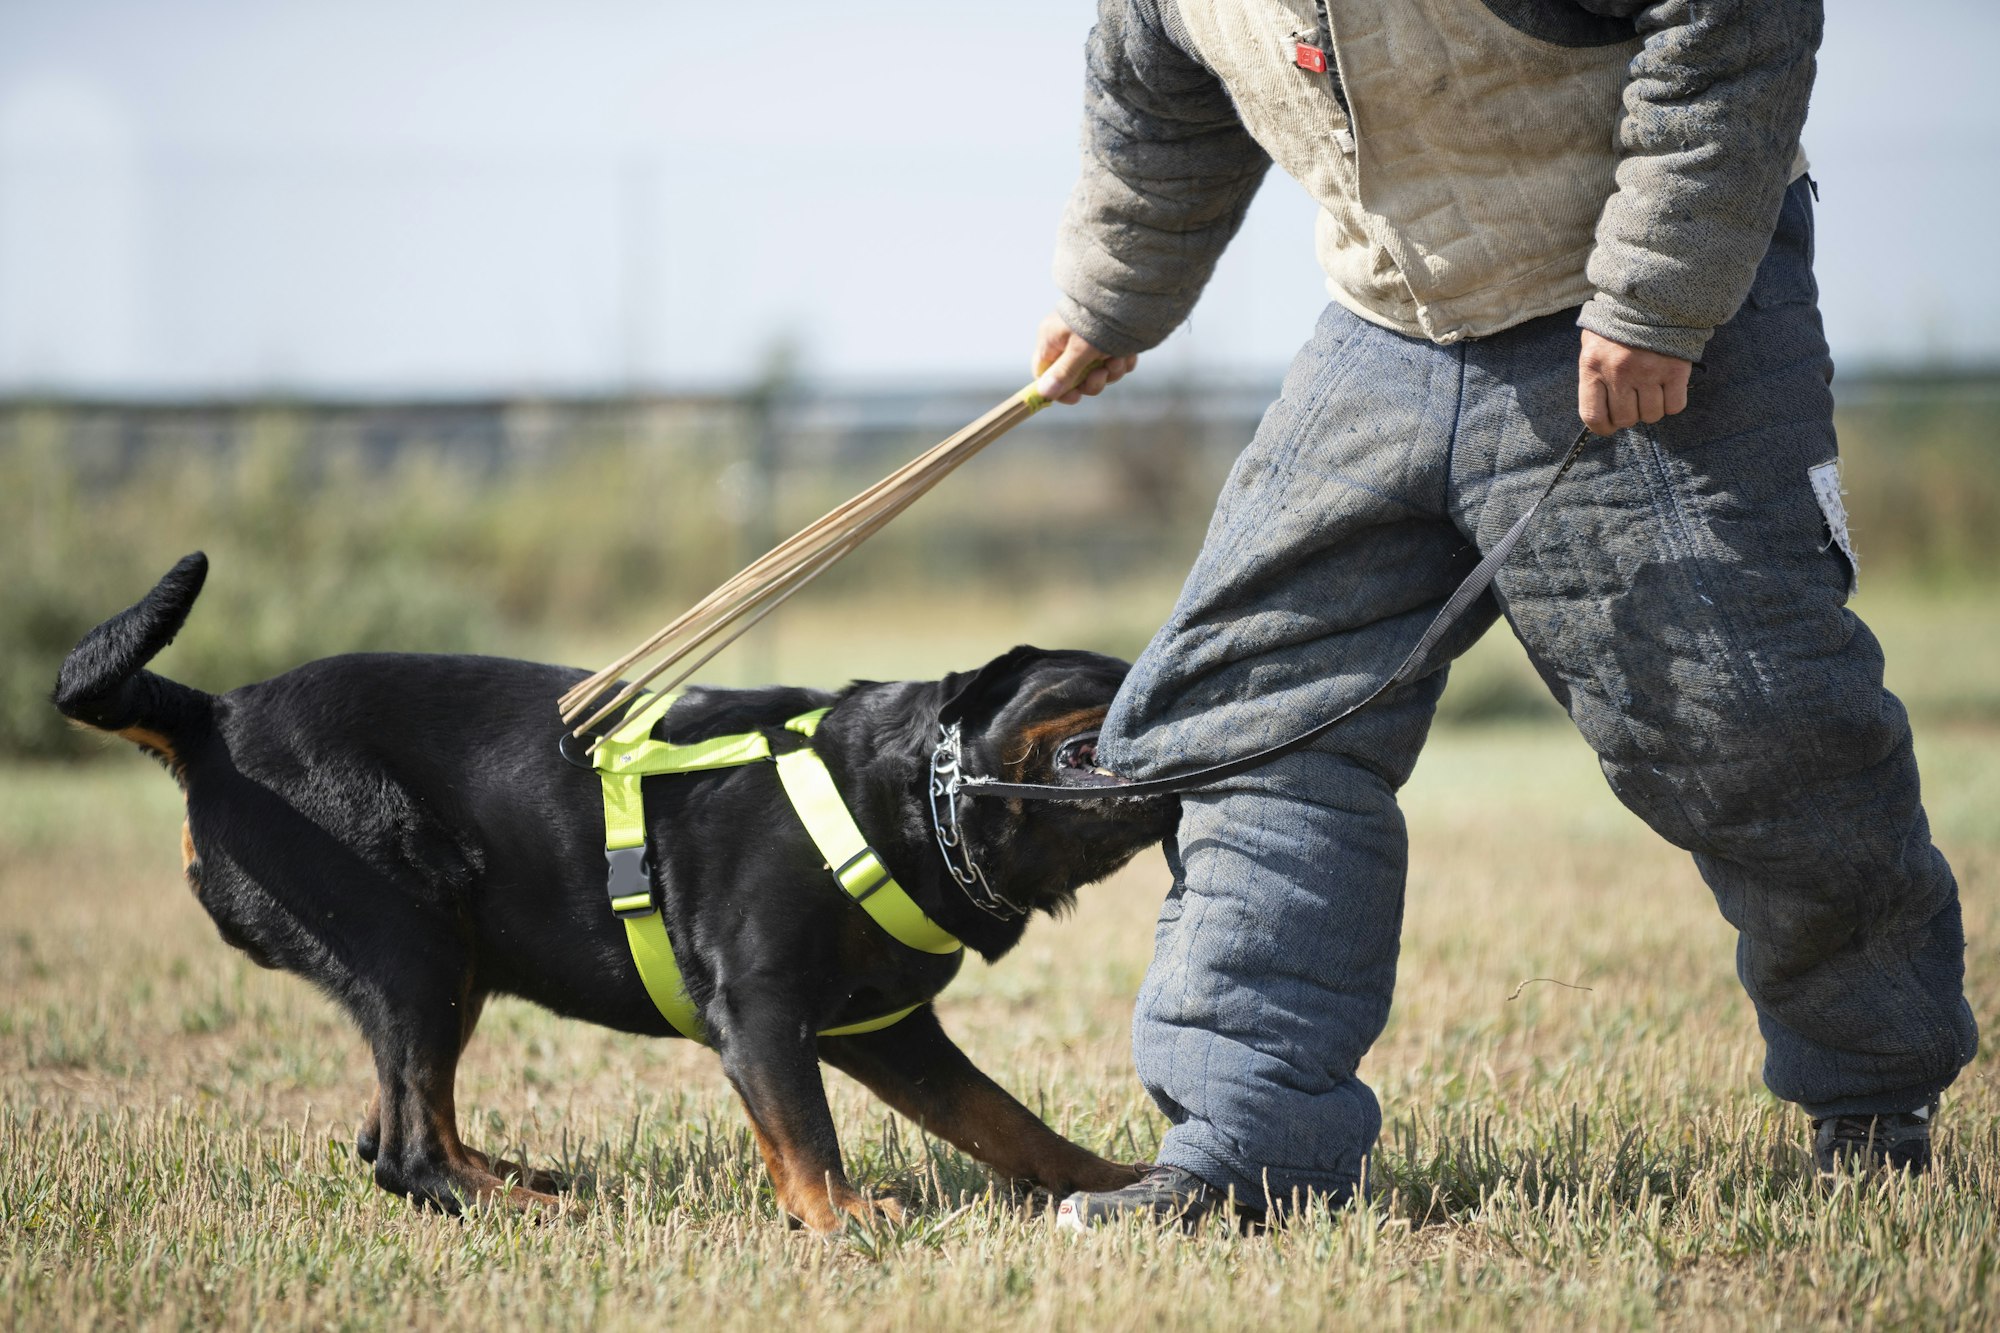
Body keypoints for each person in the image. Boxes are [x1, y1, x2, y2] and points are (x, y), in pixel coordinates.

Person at [1031, 0, 1977, 1229]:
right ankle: (1249, 1149)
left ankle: (1870, 1092)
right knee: (1250, 717)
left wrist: (1654, 291)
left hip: (1637, 307)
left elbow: (1730, 21)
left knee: (1752, 722)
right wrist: (1110, 297)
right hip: (1386, 333)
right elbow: (1156, 105)